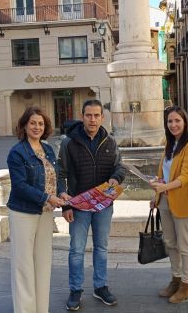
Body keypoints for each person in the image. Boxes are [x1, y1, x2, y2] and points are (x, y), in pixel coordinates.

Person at [58, 99, 127, 310]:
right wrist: (66, 205)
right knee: (76, 250)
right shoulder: (69, 142)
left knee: (102, 248)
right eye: (89, 115)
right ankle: (75, 290)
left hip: (103, 206)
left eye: (97, 115)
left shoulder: (110, 141)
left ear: (102, 118)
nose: (93, 119)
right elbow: (60, 172)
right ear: (82, 117)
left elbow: (120, 167)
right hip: (79, 205)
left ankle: (100, 287)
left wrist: (116, 178)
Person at [6, 106, 67, 313]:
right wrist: (47, 197)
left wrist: (62, 193)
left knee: (43, 264)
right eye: (32, 123)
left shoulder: (48, 149)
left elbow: (56, 175)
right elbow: (20, 186)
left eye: (40, 123)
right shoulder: (17, 152)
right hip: (23, 212)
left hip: (45, 213)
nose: (37, 127)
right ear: (24, 125)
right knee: (23, 266)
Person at [149, 106, 188, 304]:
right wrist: (157, 195)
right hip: (166, 202)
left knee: (185, 246)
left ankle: (186, 284)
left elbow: (185, 177)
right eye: (170, 121)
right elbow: (163, 174)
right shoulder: (170, 144)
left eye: (177, 120)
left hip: (184, 202)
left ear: (185, 121)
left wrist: (163, 188)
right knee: (171, 243)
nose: (173, 124)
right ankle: (176, 279)